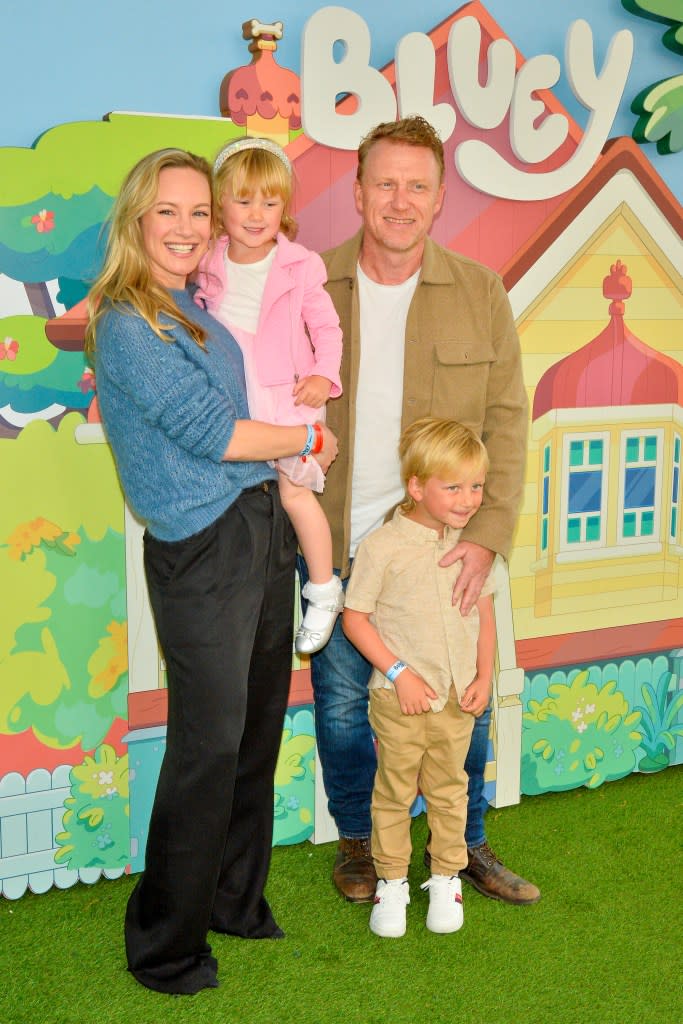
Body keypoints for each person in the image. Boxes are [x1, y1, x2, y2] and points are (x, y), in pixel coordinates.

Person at [85, 148, 337, 995]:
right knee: (207, 743)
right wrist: (304, 439)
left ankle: (234, 898)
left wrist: (294, 437)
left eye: (201, 211)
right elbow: (215, 433)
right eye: (169, 211)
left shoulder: (192, 305)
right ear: (135, 220)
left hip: (260, 523)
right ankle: (164, 945)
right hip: (201, 547)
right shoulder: (126, 321)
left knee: (255, 729)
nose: (190, 227)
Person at [304, 115, 540, 907]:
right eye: (384, 183)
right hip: (333, 545)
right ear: (358, 191)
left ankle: (463, 843)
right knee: (340, 709)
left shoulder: (479, 292)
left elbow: (507, 423)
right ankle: (360, 846)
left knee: (461, 712)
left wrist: (486, 539)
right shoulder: (310, 286)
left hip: (445, 551)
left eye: (416, 185)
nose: (398, 201)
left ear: (439, 198)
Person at [343, 417, 495, 938]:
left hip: (457, 700)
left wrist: (485, 675)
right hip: (398, 699)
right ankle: (391, 882)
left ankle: (446, 877)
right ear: (416, 486)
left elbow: (486, 612)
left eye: (476, 486)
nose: (468, 498)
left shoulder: (475, 547)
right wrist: (399, 672)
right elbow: (354, 618)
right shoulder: (382, 547)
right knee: (394, 790)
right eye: (453, 486)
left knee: (452, 789)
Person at [194, 137, 344, 655]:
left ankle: (323, 588)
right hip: (234, 394)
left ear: (285, 208)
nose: (257, 215)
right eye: (243, 200)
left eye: (271, 202)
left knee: (294, 493)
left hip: (288, 395)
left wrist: (325, 375)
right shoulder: (207, 263)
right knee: (233, 490)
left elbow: (327, 328)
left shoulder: (300, 266)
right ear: (218, 205)